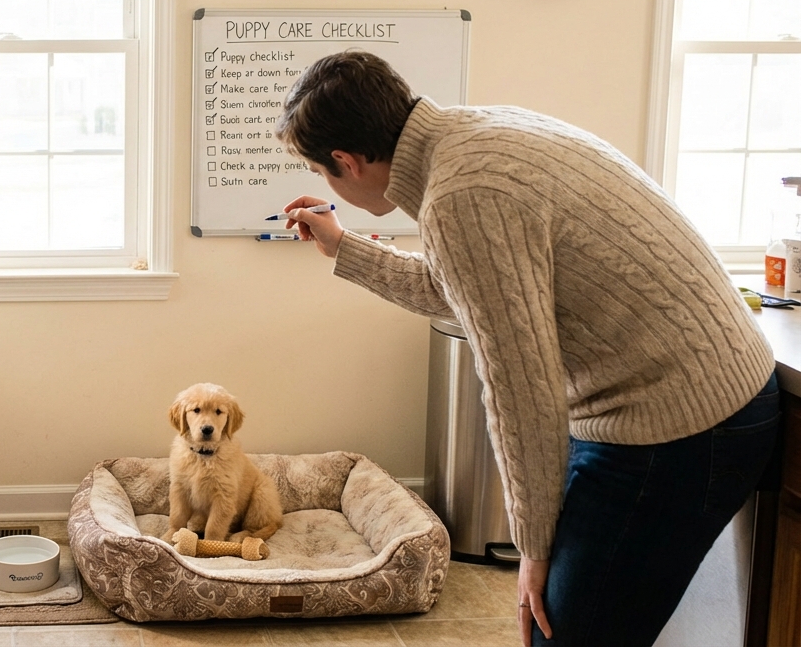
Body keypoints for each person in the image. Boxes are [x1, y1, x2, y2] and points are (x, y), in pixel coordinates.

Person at [275, 50, 778, 647]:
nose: (329, 186)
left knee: (558, 631)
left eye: (323, 172)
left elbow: (522, 390)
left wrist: (531, 548)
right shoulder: (475, 135)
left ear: (346, 162)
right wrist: (345, 247)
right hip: (711, 391)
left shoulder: (462, 196)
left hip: (679, 424)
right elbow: (463, 289)